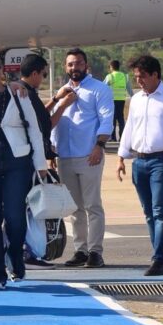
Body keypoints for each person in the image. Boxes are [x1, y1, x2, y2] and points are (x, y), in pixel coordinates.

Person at [0, 54, 49, 289]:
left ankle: (15, 257)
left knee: (15, 218)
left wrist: (40, 164)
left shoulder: (18, 93)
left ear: (2, 70)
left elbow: (34, 129)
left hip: (17, 160)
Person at [117, 55, 163, 276]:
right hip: (140, 161)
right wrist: (122, 156)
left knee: (160, 211)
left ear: (155, 75)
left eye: (142, 77)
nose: (138, 81)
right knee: (148, 212)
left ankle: (158, 259)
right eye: (136, 77)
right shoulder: (137, 99)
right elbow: (129, 127)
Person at [50, 48, 114, 268]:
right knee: (74, 208)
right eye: (70, 64)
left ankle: (96, 252)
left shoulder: (99, 89)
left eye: (77, 64)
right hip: (65, 156)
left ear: (86, 65)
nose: (73, 68)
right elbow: (57, 119)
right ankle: (80, 250)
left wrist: (100, 145)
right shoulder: (63, 90)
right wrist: (52, 149)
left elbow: (107, 120)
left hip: (89, 155)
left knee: (92, 205)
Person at [19, 53, 66, 269]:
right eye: (44, 74)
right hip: (29, 163)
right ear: (35, 73)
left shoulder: (25, 93)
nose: (44, 78)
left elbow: (40, 118)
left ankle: (24, 250)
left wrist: (55, 100)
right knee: (33, 209)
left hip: (24, 160)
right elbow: (44, 126)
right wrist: (64, 106)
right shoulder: (26, 94)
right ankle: (31, 251)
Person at [103, 60, 132, 141]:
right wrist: (134, 97)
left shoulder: (110, 76)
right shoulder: (125, 76)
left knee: (112, 119)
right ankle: (122, 137)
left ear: (111, 67)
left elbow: (102, 88)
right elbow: (129, 89)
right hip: (121, 100)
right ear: (119, 67)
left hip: (112, 101)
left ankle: (113, 138)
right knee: (121, 118)